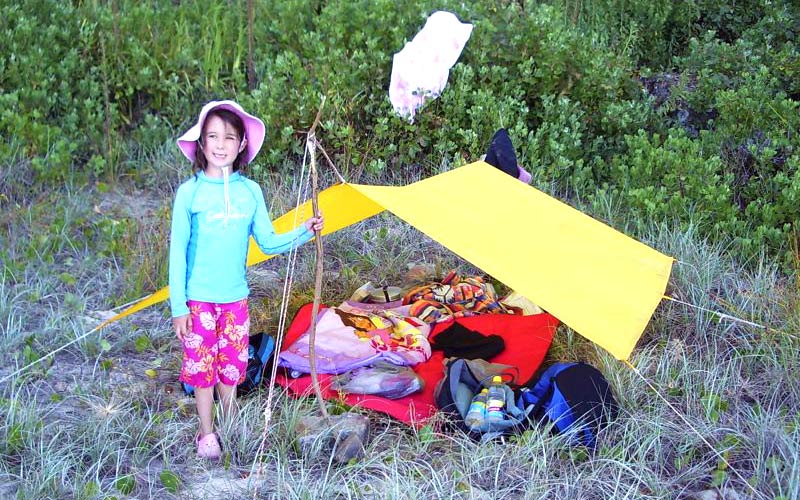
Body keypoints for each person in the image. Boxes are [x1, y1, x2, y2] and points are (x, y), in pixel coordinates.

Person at [169, 100, 324, 459]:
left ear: (241, 145)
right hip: (198, 300)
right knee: (200, 366)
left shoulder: (250, 192)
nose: (220, 144)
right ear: (201, 143)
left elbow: (267, 241)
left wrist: (304, 231)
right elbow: (177, 253)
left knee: (232, 364)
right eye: (212, 136)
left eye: (229, 137)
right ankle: (206, 432)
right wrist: (180, 308)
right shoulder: (189, 193)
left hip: (235, 298)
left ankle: (231, 416)